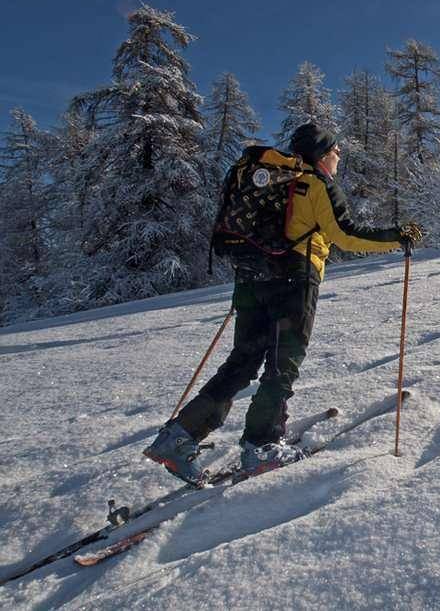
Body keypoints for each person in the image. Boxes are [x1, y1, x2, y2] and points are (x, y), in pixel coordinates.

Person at [144, 123, 422, 484]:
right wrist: (397, 236)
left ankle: (178, 438)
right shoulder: (314, 184)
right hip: (294, 279)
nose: (339, 157)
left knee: (241, 363)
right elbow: (346, 235)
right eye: (335, 151)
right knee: (282, 364)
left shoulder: (271, 182)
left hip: (250, 281)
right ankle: (261, 445)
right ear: (322, 155)